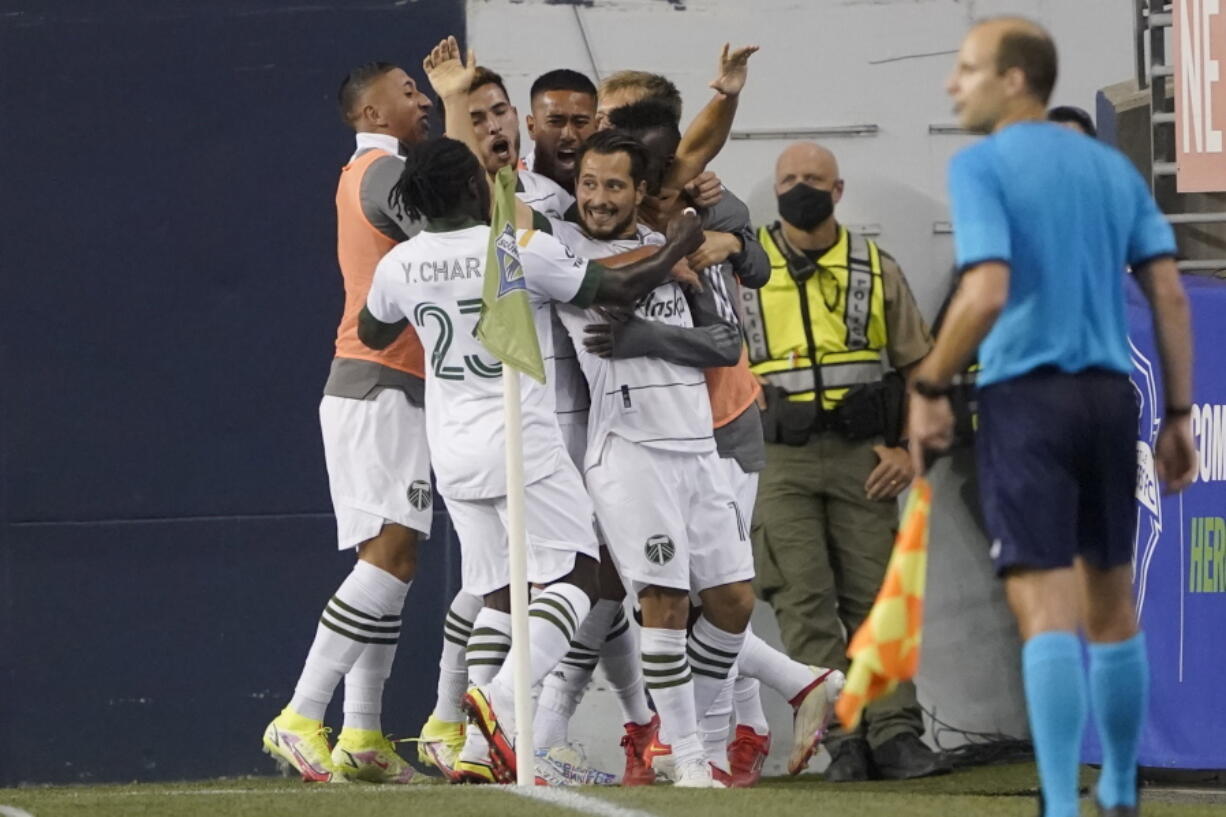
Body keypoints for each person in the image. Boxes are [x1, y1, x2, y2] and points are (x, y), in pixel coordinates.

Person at [911, 18, 1197, 817]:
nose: (951, 84)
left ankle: (1063, 807)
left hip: (1027, 400)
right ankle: (1120, 790)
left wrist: (931, 380)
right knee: (1112, 600)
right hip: (1112, 398)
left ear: (1014, 80)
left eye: (966, 68)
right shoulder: (1112, 170)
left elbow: (987, 289)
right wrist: (1177, 411)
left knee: (1045, 610)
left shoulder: (981, 166)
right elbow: (1169, 294)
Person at [744, 140, 947, 782]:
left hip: (866, 457)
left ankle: (897, 735)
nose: (800, 188)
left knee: (876, 598)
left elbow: (922, 368)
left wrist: (912, 452)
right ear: (775, 191)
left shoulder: (874, 265)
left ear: (837, 191)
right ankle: (842, 740)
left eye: (814, 179)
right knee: (803, 601)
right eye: (789, 179)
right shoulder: (740, 265)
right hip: (778, 460)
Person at [260, 61, 434, 785]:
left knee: (388, 560)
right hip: (379, 385)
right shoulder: (384, 173)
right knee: (391, 555)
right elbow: (448, 243)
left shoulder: (364, 173)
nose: (420, 99)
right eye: (409, 91)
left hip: (372, 386)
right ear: (370, 111)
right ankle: (300, 715)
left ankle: (362, 733)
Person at [466, 65, 574, 219]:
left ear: (515, 115)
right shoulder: (450, 213)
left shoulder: (553, 197)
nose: (494, 126)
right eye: (477, 121)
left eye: (500, 112)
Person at [526, 68, 599, 193]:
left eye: (580, 122)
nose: (568, 135)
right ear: (531, 127)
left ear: (597, 127)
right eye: (555, 122)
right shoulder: (507, 189)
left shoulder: (615, 189)